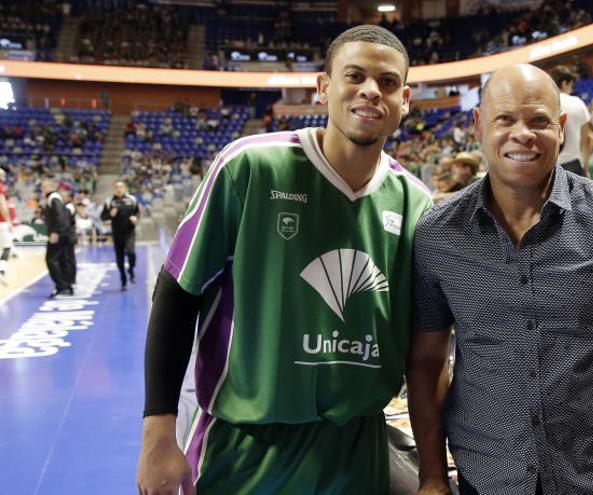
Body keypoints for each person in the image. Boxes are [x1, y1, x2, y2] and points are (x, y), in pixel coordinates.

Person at [135, 25, 432, 495]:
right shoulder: (249, 166)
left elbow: (426, 343)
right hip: (246, 449)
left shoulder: (415, 202)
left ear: (406, 99)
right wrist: (157, 432)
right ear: (323, 87)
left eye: (388, 83)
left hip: (357, 450)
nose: (371, 91)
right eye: (354, 76)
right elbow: (177, 291)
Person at [407, 64, 593, 495]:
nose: (523, 133)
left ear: (559, 129)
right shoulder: (437, 235)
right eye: (505, 119)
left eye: (538, 120)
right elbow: (426, 364)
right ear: (479, 125)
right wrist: (431, 476)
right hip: (488, 478)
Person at [549, 65, 591, 176]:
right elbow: (586, 140)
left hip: (552, 167)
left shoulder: (545, 104)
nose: (572, 89)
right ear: (564, 83)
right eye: (571, 85)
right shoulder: (577, 102)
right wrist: (586, 167)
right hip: (574, 164)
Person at [101, 180, 140, 289]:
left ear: (125, 188)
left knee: (131, 252)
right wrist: (110, 214)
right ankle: (123, 280)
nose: (119, 189)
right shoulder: (109, 201)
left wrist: (136, 218)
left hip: (129, 233)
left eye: (121, 187)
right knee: (120, 259)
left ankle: (131, 270)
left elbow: (137, 212)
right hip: (117, 234)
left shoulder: (132, 200)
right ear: (114, 189)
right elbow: (103, 217)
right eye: (117, 187)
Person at [41, 174, 75, 297]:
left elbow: (61, 216)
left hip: (59, 234)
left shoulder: (53, 198)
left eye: (44, 186)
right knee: (61, 259)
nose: (42, 188)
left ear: (51, 187)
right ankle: (66, 286)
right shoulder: (53, 198)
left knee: (51, 260)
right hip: (62, 233)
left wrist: (55, 232)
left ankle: (62, 286)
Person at [0, 167, 12, 284]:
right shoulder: (1, 187)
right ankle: (1, 271)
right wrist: (8, 220)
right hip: (1, 222)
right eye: (3, 175)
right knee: (7, 247)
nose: (4, 177)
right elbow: (2, 205)